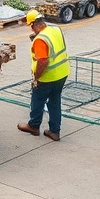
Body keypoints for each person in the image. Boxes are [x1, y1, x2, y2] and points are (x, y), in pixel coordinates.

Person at [16, 9, 69, 141]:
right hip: (62, 73)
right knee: (55, 102)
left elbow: (43, 61)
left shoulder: (40, 40)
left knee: (37, 100)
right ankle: (54, 131)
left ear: (33, 24)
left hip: (48, 77)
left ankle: (33, 126)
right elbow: (54, 45)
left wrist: (36, 78)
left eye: (30, 26)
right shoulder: (55, 29)